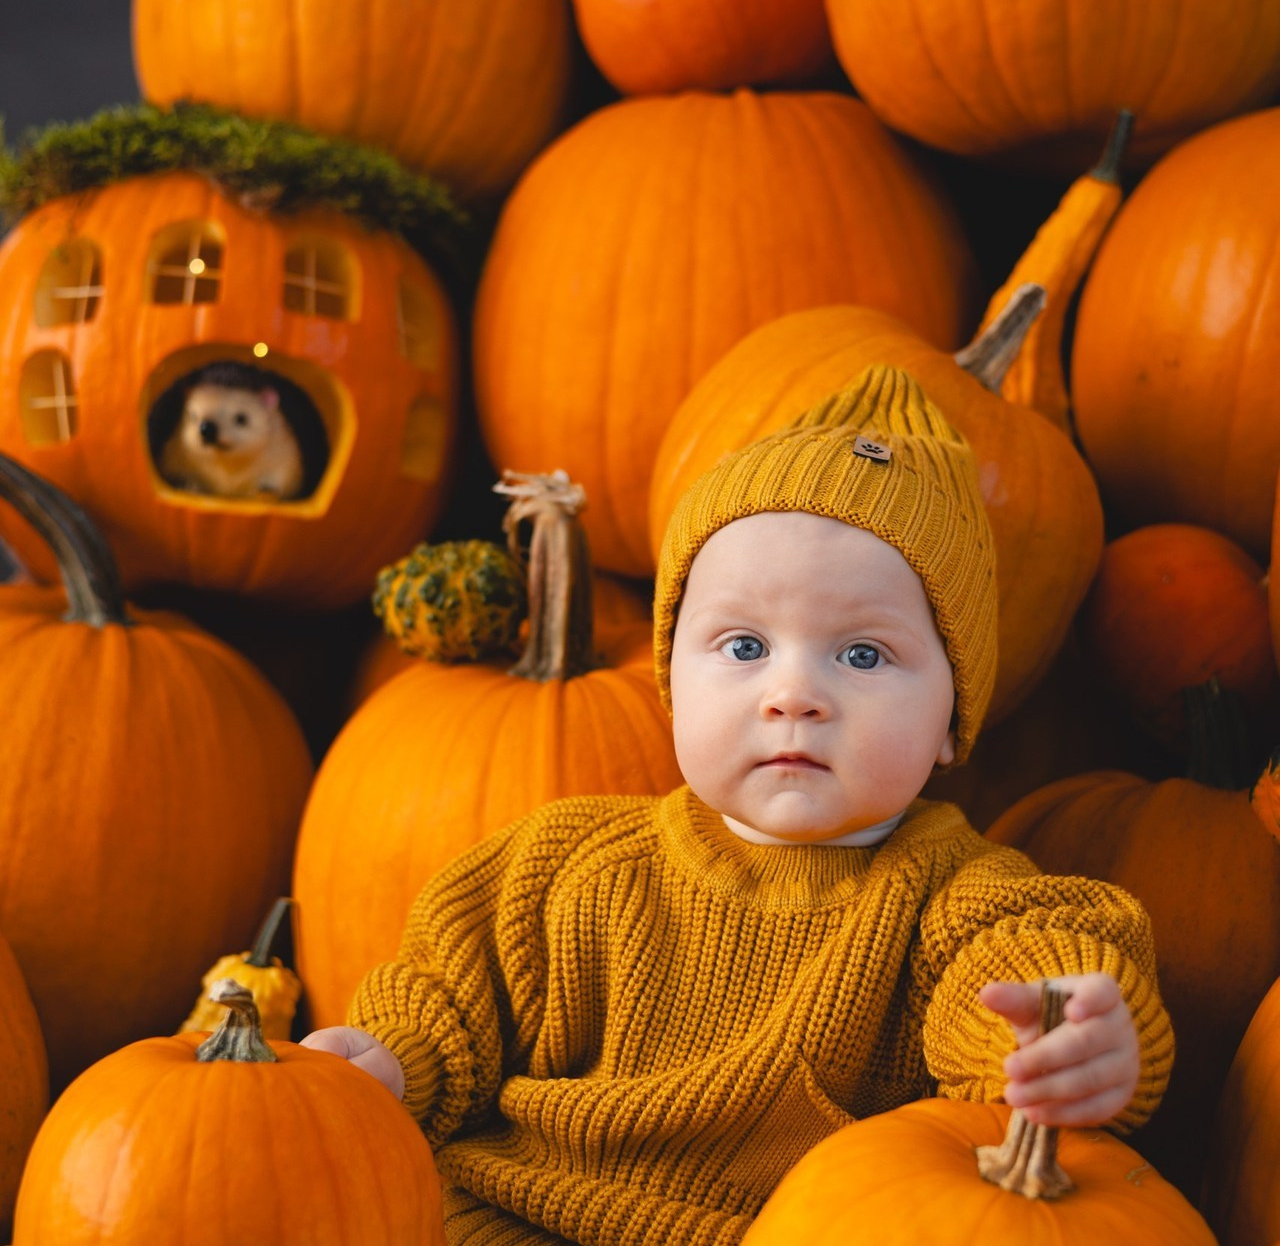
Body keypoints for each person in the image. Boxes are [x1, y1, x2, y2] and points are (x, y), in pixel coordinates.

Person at [303, 364, 1174, 1246]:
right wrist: (390, 1062)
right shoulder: (565, 866)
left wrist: (1061, 1038)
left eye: (864, 656)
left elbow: (1028, 960)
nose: (793, 693)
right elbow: (450, 997)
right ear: (672, 682)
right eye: (745, 645)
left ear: (953, 720)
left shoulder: (947, 899)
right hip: (512, 1212)